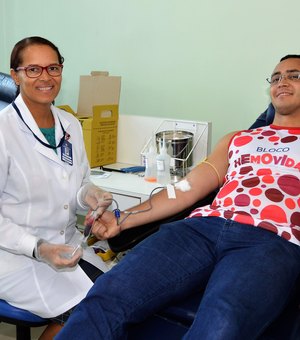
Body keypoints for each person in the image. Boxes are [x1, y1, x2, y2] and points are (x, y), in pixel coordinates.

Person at [56, 55, 300, 340]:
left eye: (294, 75)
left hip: (270, 239)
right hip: (203, 228)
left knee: (221, 326)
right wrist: (122, 219)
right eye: (276, 76)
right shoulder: (240, 138)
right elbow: (187, 188)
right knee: (109, 291)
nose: (282, 81)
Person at [0, 36, 113, 339]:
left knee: (123, 297)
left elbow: (77, 185)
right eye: (33, 70)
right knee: (93, 313)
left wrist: (91, 196)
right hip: (14, 258)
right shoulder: (2, 131)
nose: (46, 77)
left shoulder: (70, 125)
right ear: (16, 75)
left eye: (53, 68)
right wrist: (38, 248)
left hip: (68, 247)